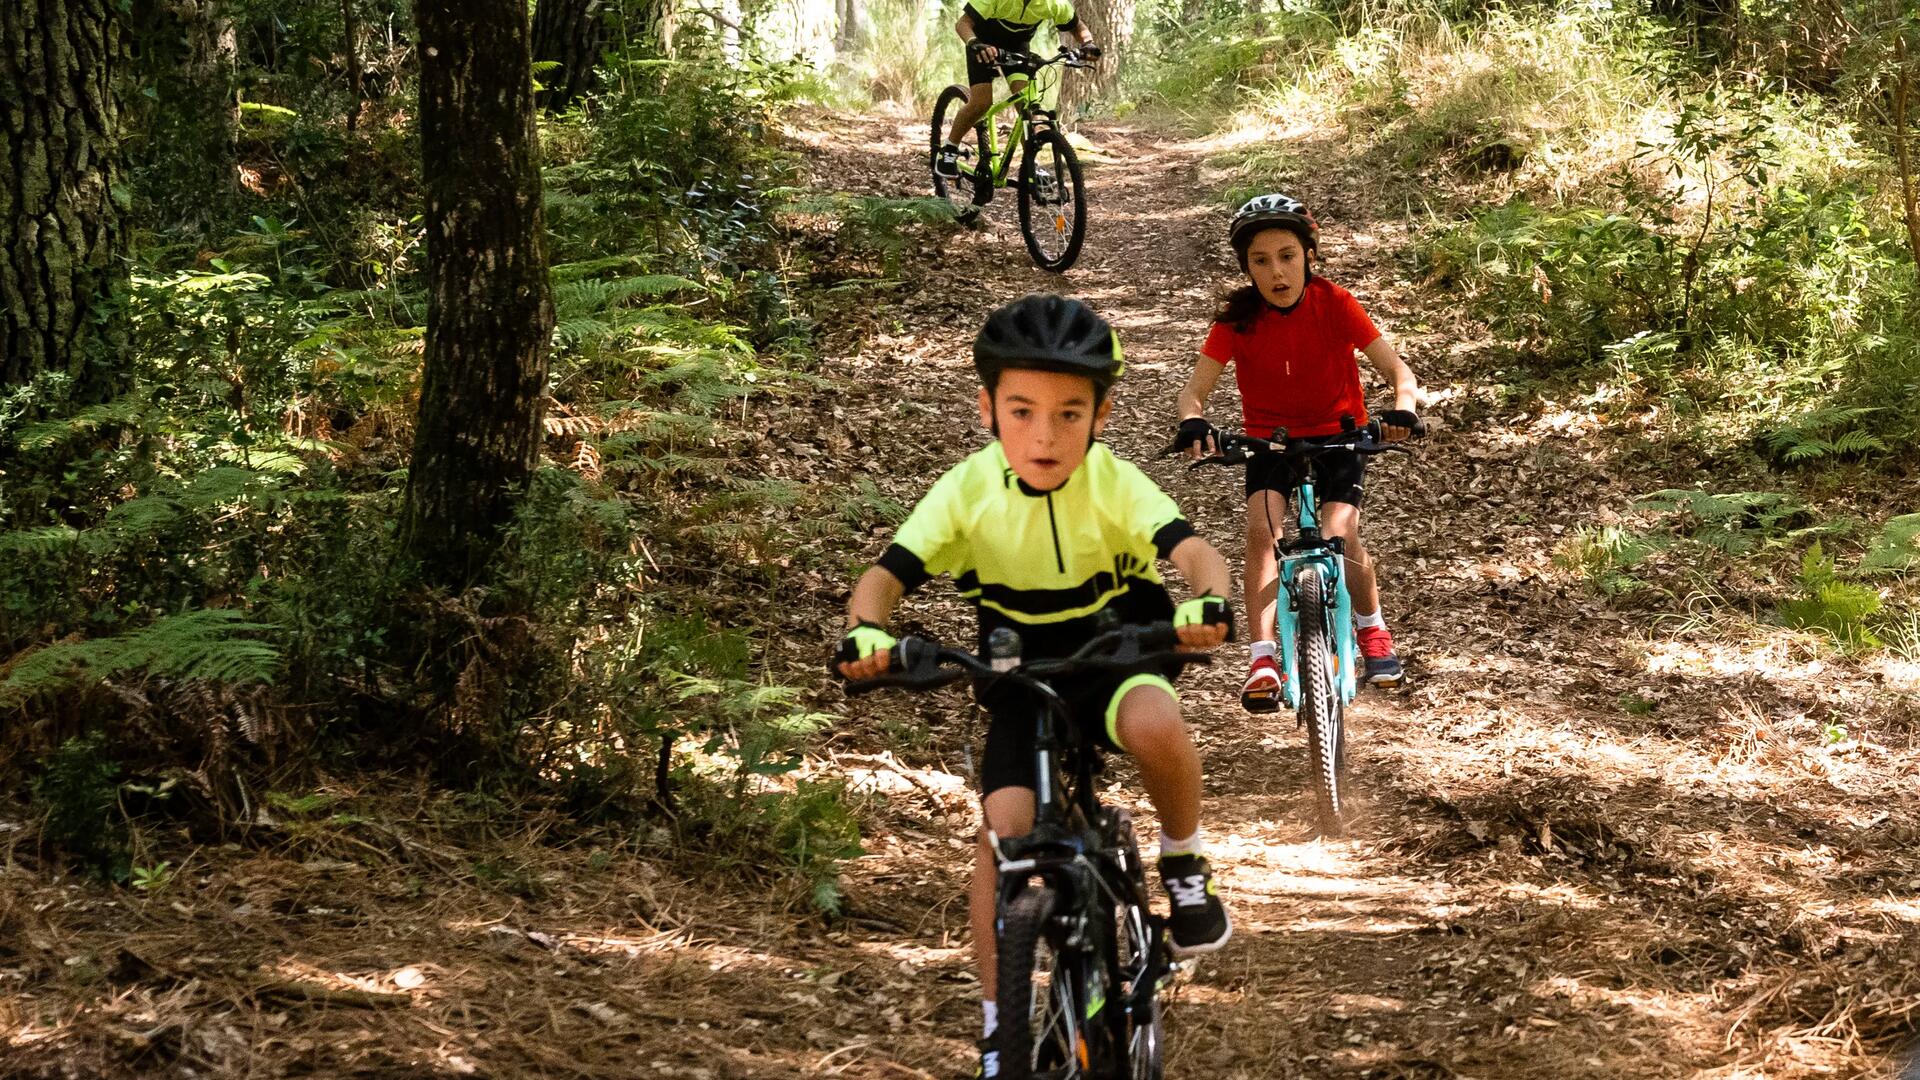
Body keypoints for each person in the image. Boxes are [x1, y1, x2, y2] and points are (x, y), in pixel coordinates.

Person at [836, 294, 1233, 1079]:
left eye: (1068, 414)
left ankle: (1183, 861)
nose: (1044, 436)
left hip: (1115, 650)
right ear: (987, 409)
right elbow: (882, 579)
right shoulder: (966, 490)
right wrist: (871, 634)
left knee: (1156, 723)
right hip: (1017, 675)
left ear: (1102, 416)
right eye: (1021, 411)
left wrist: (1202, 602)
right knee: (1001, 832)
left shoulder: (1113, 484)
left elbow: (1196, 554)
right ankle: (1000, 1026)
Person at [1173, 193, 1423, 709]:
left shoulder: (1336, 304)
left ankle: (1372, 631)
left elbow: (1399, 372)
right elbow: (1192, 392)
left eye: (1287, 255)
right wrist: (1193, 420)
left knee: (1341, 530)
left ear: (1309, 255)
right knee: (1262, 533)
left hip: (1340, 435)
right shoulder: (1236, 321)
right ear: (1246, 268)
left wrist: (1402, 410)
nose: (1276, 272)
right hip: (1269, 443)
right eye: (1260, 261)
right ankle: (1263, 656)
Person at [934, 0, 1101, 179]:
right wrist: (974, 43)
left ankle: (1031, 163)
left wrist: (1088, 44)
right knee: (981, 103)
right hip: (982, 46)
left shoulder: (1053, 3)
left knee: (1026, 105)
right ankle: (949, 149)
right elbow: (963, 24)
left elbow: (1077, 26)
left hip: (1017, 50)